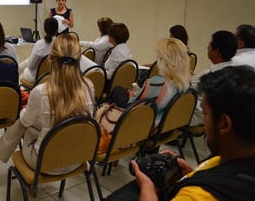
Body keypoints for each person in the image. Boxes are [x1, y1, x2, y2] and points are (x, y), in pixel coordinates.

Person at [108, 65, 255, 201]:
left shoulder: (196, 196)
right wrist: (190, 176)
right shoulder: (232, 159)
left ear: (224, 124)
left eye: (205, 113)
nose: (203, 120)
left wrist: (148, 189)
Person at [0, 34, 96, 174]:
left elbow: (25, 121)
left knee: (25, 123)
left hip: (44, 162)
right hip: (77, 159)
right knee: (43, 122)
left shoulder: (41, 91)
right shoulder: (89, 86)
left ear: (51, 59)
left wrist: (27, 109)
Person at [129, 38, 190, 126]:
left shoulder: (156, 83)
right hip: (168, 127)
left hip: (147, 127)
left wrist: (131, 95)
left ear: (162, 59)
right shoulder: (185, 83)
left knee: (119, 92)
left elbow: (131, 108)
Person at [189, 30, 237, 125]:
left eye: (210, 46)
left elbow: (187, 87)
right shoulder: (235, 69)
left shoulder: (210, 75)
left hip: (203, 115)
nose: (207, 48)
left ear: (217, 52)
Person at [19, 17, 58, 82]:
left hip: (38, 78)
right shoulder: (60, 43)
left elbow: (31, 67)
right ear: (57, 29)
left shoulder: (40, 44)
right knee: (28, 60)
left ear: (44, 29)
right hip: (54, 76)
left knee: (26, 68)